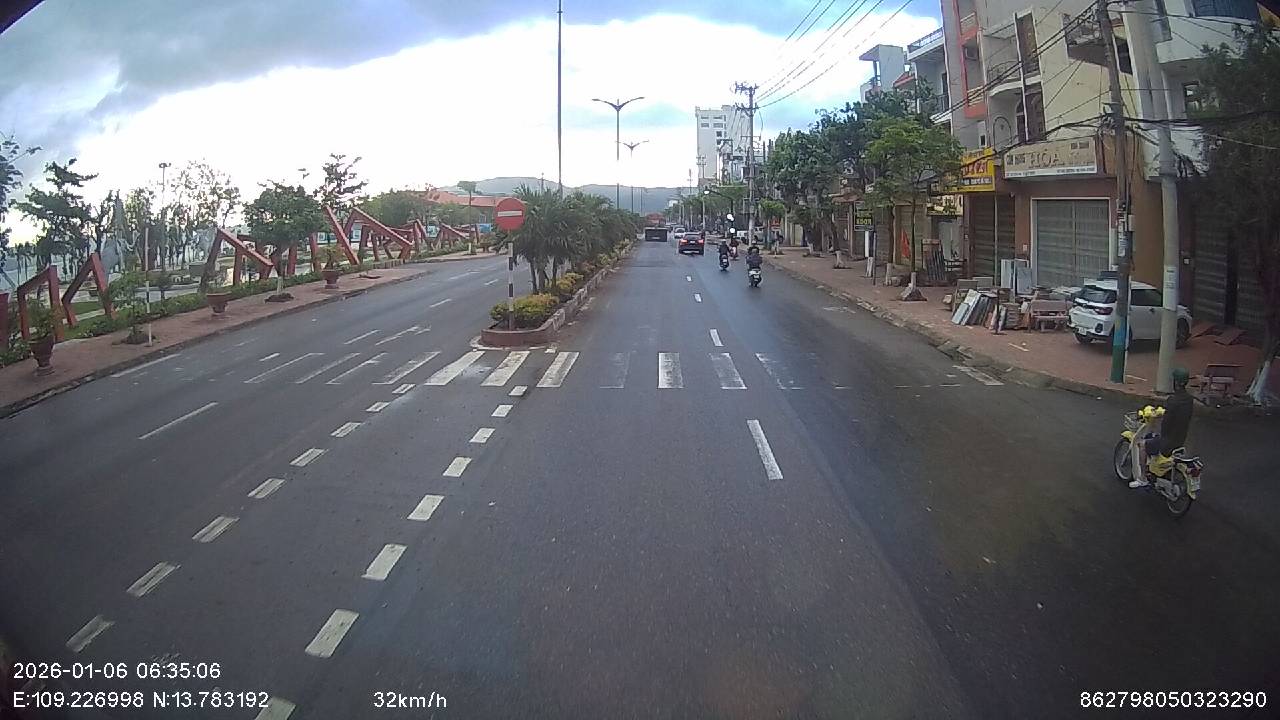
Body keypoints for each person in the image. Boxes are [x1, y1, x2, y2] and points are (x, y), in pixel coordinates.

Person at [1131, 367, 1195, 488]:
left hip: (1168, 442)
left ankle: (1142, 478)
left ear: (1175, 382)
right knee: (1155, 439)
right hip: (1180, 439)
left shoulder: (1173, 400)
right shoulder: (1189, 399)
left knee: (1142, 445)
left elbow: (1166, 422)